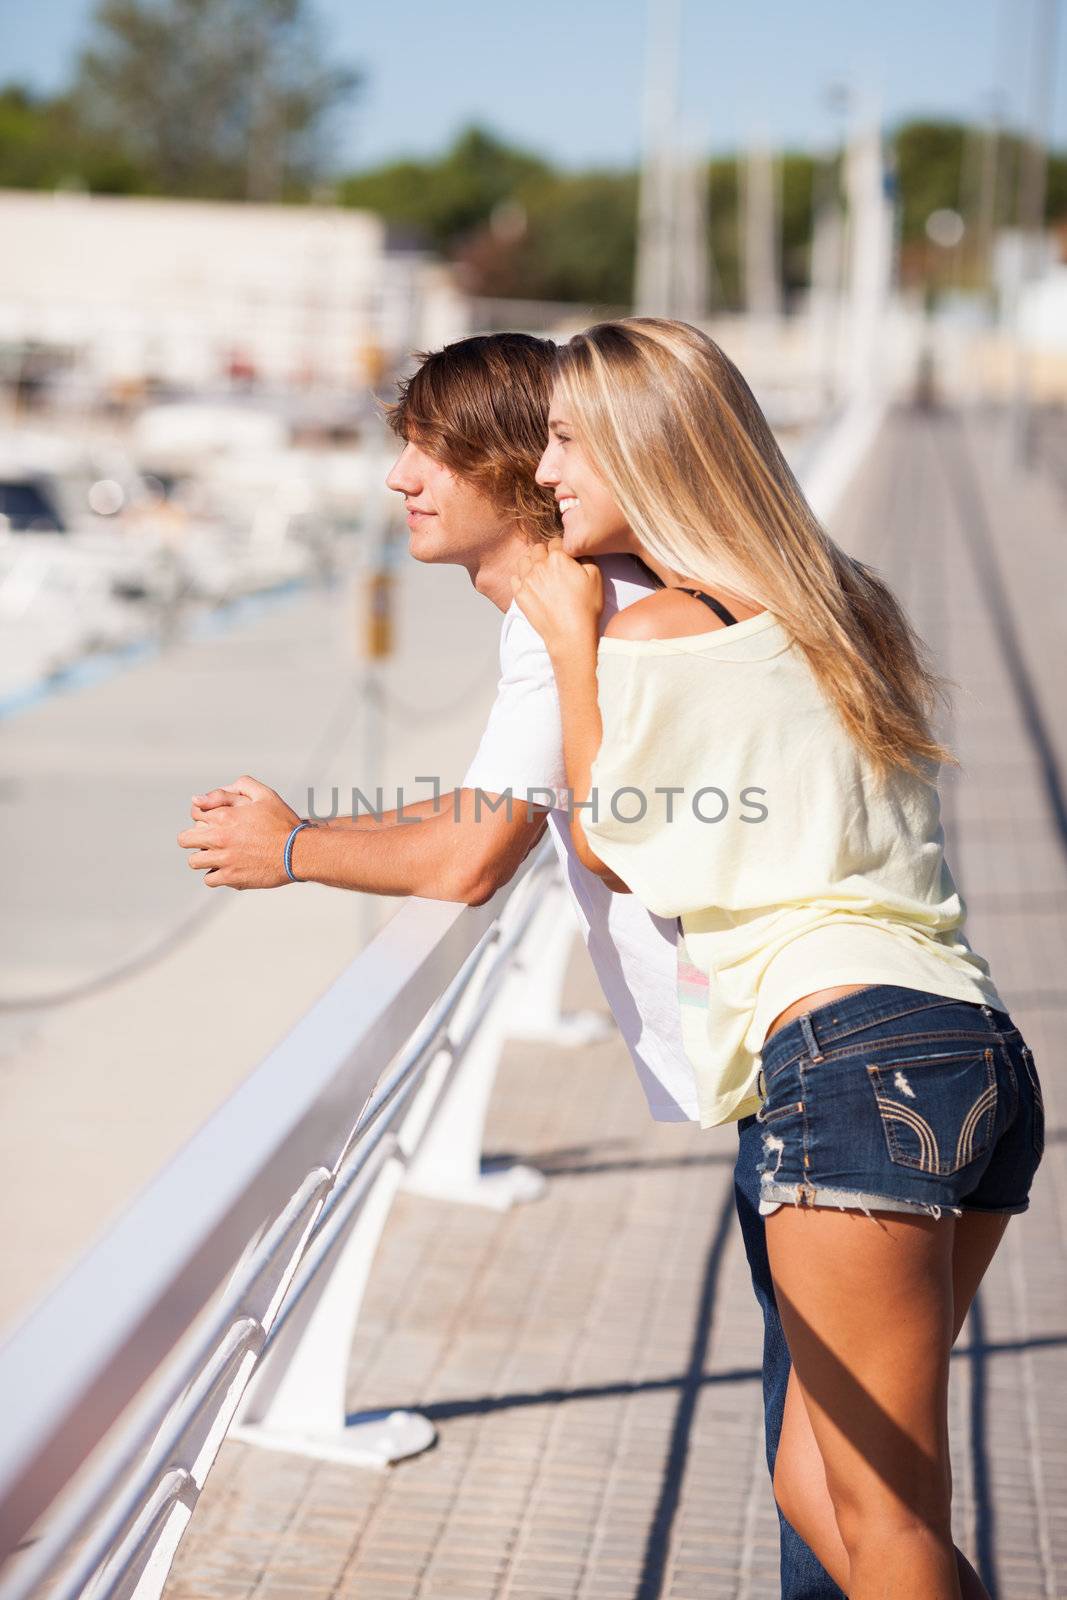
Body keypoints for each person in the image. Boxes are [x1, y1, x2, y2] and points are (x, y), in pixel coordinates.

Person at [178, 332, 844, 1600]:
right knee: (831, 1484)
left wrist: (300, 849)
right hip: (806, 1056)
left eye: (431, 450)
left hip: (819, 1069)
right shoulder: (579, 606)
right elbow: (493, 804)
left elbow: (476, 854)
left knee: (838, 1503)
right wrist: (310, 827)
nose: (401, 479)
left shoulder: (582, 619)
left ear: (514, 470)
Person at [510, 315, 1045, 1600]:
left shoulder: (657, 633)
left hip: (847, 1059)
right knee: (825, 1487)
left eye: (567, 438)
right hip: (969, 1049)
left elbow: (621, 842)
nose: (542, 472)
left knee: (880, 1511)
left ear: (648, 453)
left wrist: (572, 643)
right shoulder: (840, 603)